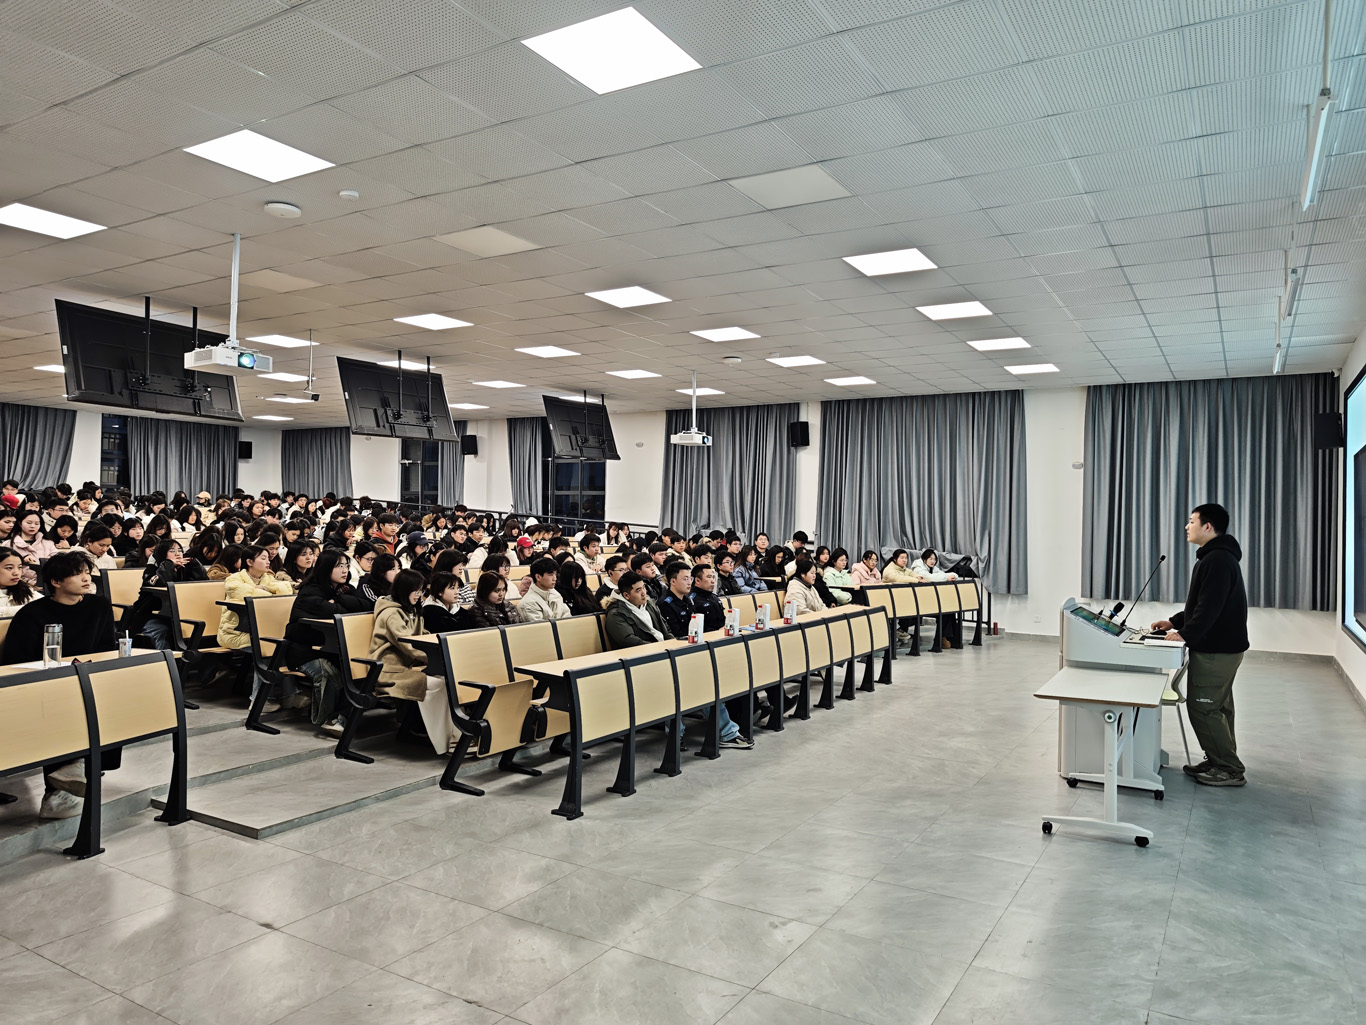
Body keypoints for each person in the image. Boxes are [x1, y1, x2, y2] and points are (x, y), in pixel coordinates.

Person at [4, 552, 119, 818]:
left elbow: (106, 647)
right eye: (77, 574)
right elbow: (15, 660)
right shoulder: (32, 613)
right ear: (56, 582)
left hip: (87, 677)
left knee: (114, 696)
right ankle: (67, 777)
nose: (86, 578)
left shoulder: (99, 605)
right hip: (43, 682)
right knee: (63, 703)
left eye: (87, 572)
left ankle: (73, 772)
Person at [1150, 503, 1250, 787]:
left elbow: (1209, 609)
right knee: (1218, 708)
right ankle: (1219, 759)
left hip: (1217, 650)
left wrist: (1186, 634)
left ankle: (1229, 769)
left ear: (1207, 527)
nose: (1187, 526)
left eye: (1191, 521)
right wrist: (1174, 622)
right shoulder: (1216, 557)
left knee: (1204, 707)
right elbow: (1201, 605)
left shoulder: (1217, 560)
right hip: (1224, 647)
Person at [658, 563, 753, 750]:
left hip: (694, 652)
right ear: (672, 581)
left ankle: (730, 728)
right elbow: (675, 637)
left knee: (714, 681)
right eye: (685, 579)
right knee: (703, 685)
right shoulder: (665, 604)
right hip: (676, 657)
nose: (689, 582)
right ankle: (679, 734)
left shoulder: (688, 600)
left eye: (690, 578)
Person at [370, 569, 457, 755]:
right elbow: (408, 645)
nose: (419, 595)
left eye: (421, 590)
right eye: (415, 590)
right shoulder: (391, 614)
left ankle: (451, 735)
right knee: (439, 684)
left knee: (448, 681)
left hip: (408, 666)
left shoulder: (412, 609)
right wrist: (437, 656)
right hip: (388, 669)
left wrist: (443, 649)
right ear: (404, 589)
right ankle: (440, 740)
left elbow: (423, 635)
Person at [284, 550, 366, 736]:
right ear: (326, 568)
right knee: (330, 672)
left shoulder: (342, 589)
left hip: (330, 648)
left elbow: (365, 606)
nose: (344, 570)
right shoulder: (310, 590)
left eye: (346, 565)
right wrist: (339, 604)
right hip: (303, 651)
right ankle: (327, 718)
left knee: (359, 669)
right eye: (339, 566)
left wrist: (337, 600)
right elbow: (337, 612)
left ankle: (339, 717)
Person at [220, 544, 298, 708]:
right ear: (249, 562)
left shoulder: (267, 578)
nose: (268, 561)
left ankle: (288, 696)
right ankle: (260, 702)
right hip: (235, 632)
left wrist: (264, 587)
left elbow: (286, 589)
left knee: (279, 647)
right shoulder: (234, 579)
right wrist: (269, 592)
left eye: (268, 558)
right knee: (266, 650)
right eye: (263, 558)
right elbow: (246, 594)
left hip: (261, 632)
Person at [122, 538, 207, 649]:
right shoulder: (151, 570)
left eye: (180, 550)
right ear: (162, 554)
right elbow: (160, 582)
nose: (177, 554)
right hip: (150, 616)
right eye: (172, 551)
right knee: (163, 631)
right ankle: (167, 658)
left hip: (178, 616)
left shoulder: (185, 569)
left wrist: (195, 564)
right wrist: (169, 564)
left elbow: (204, 584)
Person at [910, 548, 962, 649]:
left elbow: (942, 574)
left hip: (929, 600)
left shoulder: (932, 568)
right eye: (930, 559)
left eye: (934, 559)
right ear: (924, 559)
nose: (933, 561)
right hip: (919, 602)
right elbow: (930, 578)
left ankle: (949, 638)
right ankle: (942, 638)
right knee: (944, 612)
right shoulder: (918, 569)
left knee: (950, 611)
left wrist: (953, 575)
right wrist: (946, 578)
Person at [603, 571, 670, 647]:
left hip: (661, 648)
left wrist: (673, 644)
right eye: (638, 590)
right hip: (642, 652)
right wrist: (659, 647)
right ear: (626, 595)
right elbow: (629, 641)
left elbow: (666, 629)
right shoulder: (616, 614)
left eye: (644, 587)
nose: (644, 593)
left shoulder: (649, 604)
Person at [11, 511, 56, 583]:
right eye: (29, 523)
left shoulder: (48, 543)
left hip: (45, 582)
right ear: (20, 523)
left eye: (37, 523)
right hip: (19, 583)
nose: (33, 526)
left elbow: (57, 561)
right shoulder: (9, 544)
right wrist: (22, 560)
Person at [0, 545, 38, 618]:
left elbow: (44, 604)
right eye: (9, 568)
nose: (17, 573)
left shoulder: (25, 589)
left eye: (20, 567)